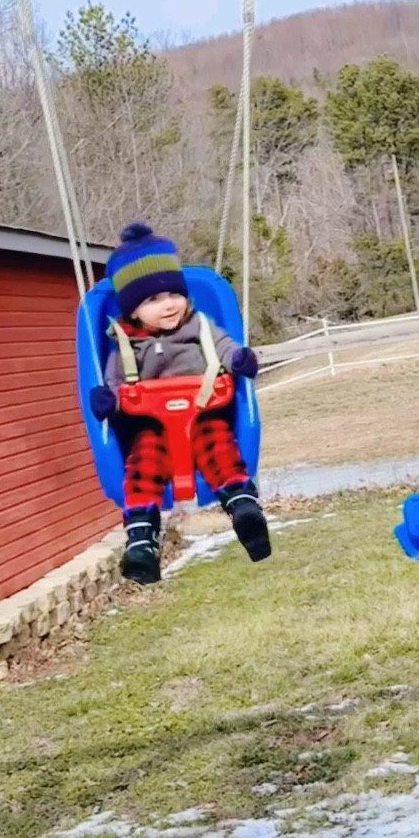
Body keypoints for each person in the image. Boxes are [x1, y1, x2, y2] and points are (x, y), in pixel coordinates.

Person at [88, 223, 270, 584]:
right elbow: (113, 385)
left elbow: (225, 349)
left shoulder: (200, 326)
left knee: (217, 442)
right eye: (152, 300)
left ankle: (244, 509)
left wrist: (239, 360)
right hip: (151, 427)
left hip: (203, 413)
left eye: (174, 294)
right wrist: (107, 401)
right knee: (143, 460)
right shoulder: (125, 344)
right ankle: (142, 540)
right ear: (133, 311)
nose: (168, 304)